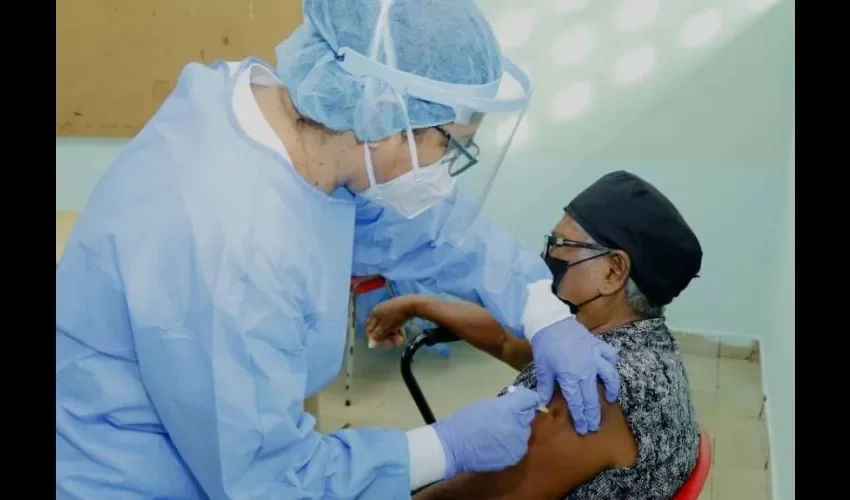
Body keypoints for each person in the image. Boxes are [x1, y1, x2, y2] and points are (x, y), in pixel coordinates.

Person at [55, 1, 619, 498]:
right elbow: (268, 480)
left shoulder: (279, 124)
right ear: (382, 116)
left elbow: (425, 229)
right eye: (448, 145)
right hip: (132, 477)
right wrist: (444, 448)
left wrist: (541, 310)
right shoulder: (232, 245)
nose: (444, 175)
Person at [369, 171, 703, 499]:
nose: (547, 256)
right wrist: (420, 304)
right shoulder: (640, 346)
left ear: (613, 272)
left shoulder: (595, 391)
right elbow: (508, 342)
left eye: (561, 245)